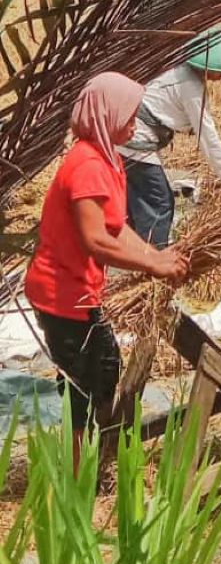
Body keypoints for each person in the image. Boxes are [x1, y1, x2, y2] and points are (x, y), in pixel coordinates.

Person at [24, 72, 187, 467]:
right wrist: (153, 262)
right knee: (81, 385)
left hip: (80, 291)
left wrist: (156, 256)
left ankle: (94, 454)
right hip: (60, 292)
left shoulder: (105, 159)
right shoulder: (87, 165)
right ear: (106, 114)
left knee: (105, 365)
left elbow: (116, 227)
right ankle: (78, 473)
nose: (134, 125)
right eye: (128, 116)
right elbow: (94, 239)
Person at [119, 28, 221, 249]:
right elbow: (209, 140)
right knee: (160, 202)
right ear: (208, 63)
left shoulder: (177, 70)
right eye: (220, 69)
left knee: (138, 202)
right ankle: (154, 261)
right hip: (135, 141)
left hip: (125, 136)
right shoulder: (191, 86)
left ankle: (133, 253)